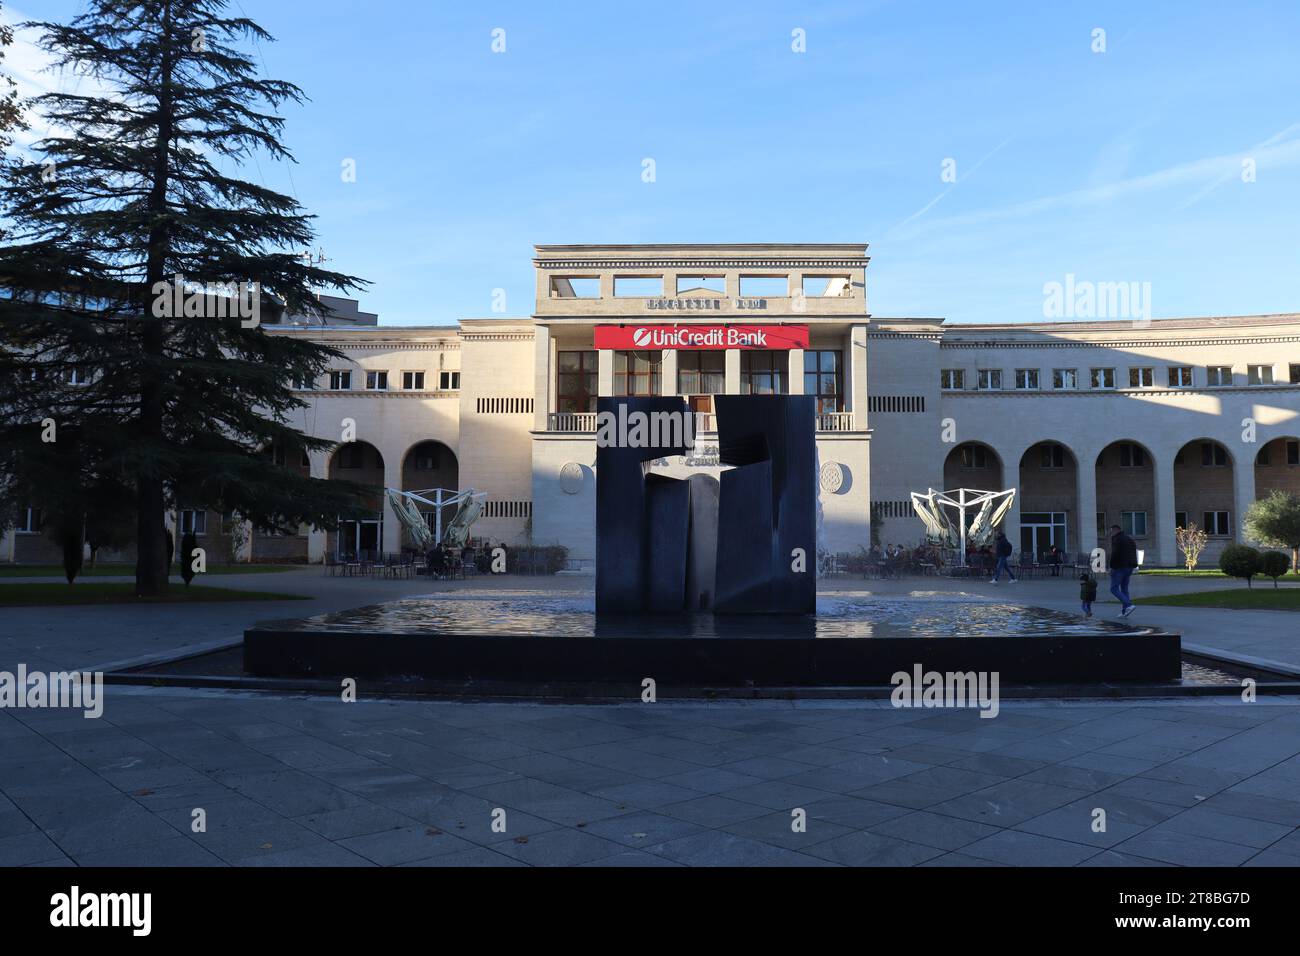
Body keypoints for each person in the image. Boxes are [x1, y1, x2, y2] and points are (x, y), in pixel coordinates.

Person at [1108, 523, 1139, 617]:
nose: (1111, 534)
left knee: (1113, 588)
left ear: (1115, 530)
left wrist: (1112, 567)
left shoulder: (1117, 539)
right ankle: (1124, 611)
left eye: (1111, 531)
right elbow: (1134, 552)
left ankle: (1129, 605)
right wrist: (1134, 564)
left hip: (1119, 567)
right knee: (1124, 588)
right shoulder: (1129, 539)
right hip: (1129, 567)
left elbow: (1115, 554)